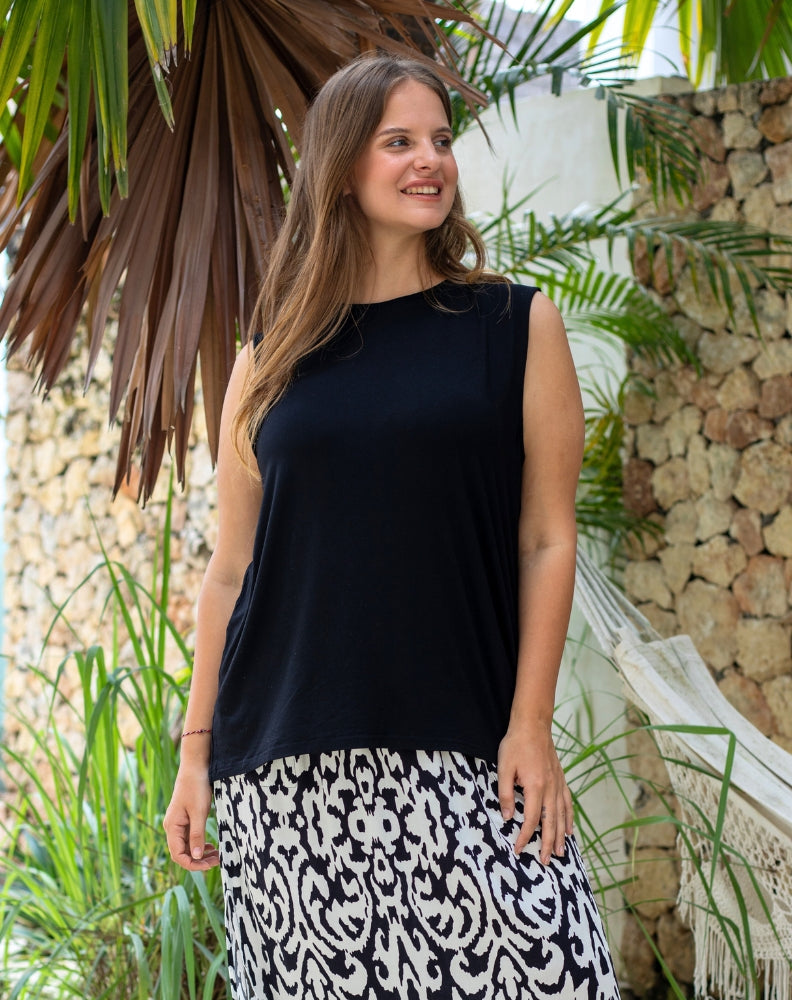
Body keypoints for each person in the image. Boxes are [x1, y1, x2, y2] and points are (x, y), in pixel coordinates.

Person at [164, 52, 620, 1000]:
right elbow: (230, 571)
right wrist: (195, 755)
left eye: (441, 140)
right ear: (340, 169)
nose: (430, 161)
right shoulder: (269, 358)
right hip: (287, 772)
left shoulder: (514, 326)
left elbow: (547, 538)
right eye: (399, 141)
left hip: (471, 752)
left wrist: (530, 726)